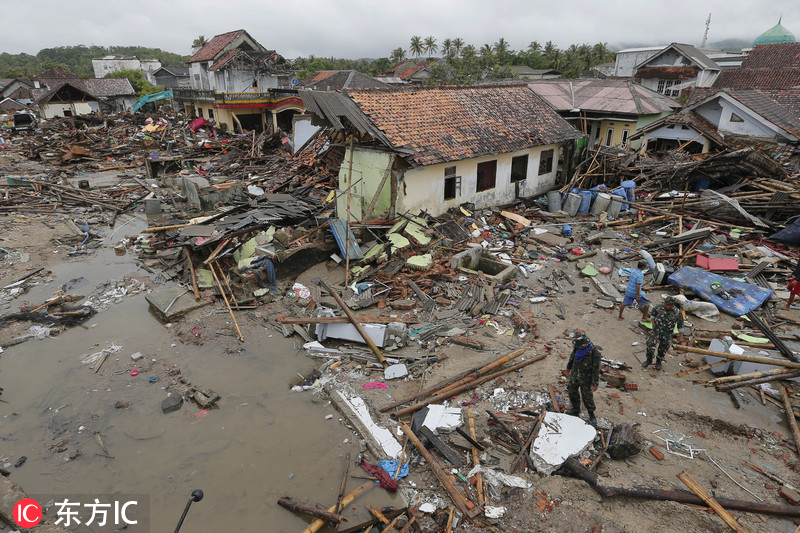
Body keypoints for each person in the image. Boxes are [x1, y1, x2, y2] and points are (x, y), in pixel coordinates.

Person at [565, 332, 602, 425]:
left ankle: (591, 414)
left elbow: (596, 369)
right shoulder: (578, 347)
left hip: (586, 378)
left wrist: (595, 383)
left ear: (585, 345)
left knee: (587, 396)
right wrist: (568, 368)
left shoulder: (594, 352)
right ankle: (575, 408)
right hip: (575, 374)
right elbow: (572, 357)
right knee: (572, 391)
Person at [643, 296, 685, 371]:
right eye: (666, 304)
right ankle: (649, 360)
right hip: (656, 331)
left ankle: (658, 361)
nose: (667, 306)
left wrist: (681, 337)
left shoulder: (677, 312)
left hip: (667, 333)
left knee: (663, 348)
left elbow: (680, 325)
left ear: (673, 305)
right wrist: (653, 326)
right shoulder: (658, 307)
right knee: (650, 344)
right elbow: (653, 315)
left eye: (669, 305)